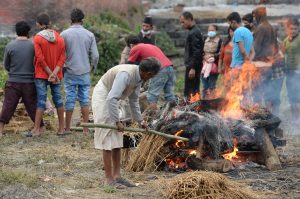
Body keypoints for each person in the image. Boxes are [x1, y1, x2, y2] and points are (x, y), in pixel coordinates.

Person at [91, 57, 161, 188]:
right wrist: (116, 121)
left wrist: (141, 121)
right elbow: (111, 98)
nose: (152, 78)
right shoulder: (126, 75)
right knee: (107, 137)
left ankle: (117, 176)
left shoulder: (139, 77)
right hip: (105, 96)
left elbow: (133, 100)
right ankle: (108, 179)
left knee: (118, 137)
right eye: (153, 76)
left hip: (114, 98)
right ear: (148, 73)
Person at [0, 21, 43, 137]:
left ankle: (0, 130)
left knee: (8, 105)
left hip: (13, 82)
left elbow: (6, 65)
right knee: (32, 105)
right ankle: (39, 128)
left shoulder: (10, 45)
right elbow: (38, 62)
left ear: (16, 32)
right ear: (28, 32)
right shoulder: (33, 45)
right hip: (29, 82)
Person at [61, 8, 99, 134]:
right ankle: (86, 128)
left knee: (70, 98)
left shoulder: (64, 34)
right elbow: (95, 56)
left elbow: (60, 54)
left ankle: (67, 128)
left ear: (71, 20)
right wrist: (93, 67)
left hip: (69, 71)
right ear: (82, 20)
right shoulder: (89, 34)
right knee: (84, 99)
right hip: (84, 71)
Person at [29, 13, 66, 137]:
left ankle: (36, 130)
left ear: (38, 24)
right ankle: (61, 129)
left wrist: (49, 73)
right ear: (49, 22)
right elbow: (63, 57)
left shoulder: (37, 38)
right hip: (56, 75)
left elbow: (39, 58)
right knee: (58, 100)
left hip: (41, 74)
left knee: (40, 101)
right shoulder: (59, 37)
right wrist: (54, 73)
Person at [126, 35, 175, 110]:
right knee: (169, 95)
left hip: (160, 70)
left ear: (131, 45)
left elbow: (129, 65)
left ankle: (153, 118)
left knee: (152, 96)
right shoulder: (149, 46)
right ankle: (173, 115)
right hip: (170, 68)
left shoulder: (135, 48)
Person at [251, 7, 282, 112]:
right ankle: (269, 116)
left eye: (255, 16)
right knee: (268, 93)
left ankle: (260, 116)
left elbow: (255, 48)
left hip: (260, 65)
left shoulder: (261, 28)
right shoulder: (271, 27)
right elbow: (276, 47)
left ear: (259, 15)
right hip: (269, 65)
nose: (254, 18)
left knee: (257, 93)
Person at [179, 11, 204, 99]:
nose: (181, 24)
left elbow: (197, 51)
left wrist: (192, 68)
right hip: (192, 64)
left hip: (193, 66)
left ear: (189, 20)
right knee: (192, 88)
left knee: (191, 89)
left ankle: (192, 107)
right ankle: (193, 106)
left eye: (183, 22)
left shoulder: (194, 32)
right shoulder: (193, 31)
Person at [282, 18, 300, 121]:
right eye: (291, 29)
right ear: (287, 29)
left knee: (297, 97)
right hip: (289, 72)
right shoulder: (286, 40)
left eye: (295, 29)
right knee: (291, 96)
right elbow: (283, 54)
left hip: (298, 72)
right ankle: (295, 119)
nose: (293, 31)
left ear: (299, 29)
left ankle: (298, 120)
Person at [201, 24, 222, 99]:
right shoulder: (204, 38)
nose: (210, 32)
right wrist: (204, 56)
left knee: (212, 85)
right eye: (209, 30)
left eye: (212, 30)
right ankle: (204, 101)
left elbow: (220, 52)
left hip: (213, 65)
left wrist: (212, 57)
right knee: (205, 85)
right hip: (203, 64)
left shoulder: (219, 40)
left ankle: (212, 101)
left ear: (216, 31)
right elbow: (200, 50)